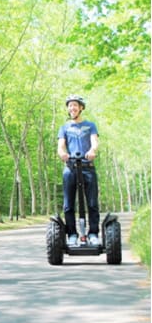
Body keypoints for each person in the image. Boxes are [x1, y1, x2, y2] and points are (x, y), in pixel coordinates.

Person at [57, 94, 100, 246]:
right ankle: (72, 234)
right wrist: (62, 153)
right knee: (68, 204)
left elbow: (94, 141)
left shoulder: (90, 125)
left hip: (87, 167)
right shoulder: (64, 127)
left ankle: (93, 233)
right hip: (71, 167)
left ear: (81, 107)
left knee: (92, 202)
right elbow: (61, 145)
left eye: (75, 105)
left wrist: (92, 151)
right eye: (70, 105)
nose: (72, 108)